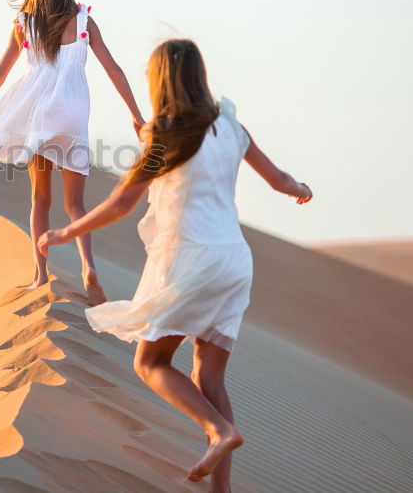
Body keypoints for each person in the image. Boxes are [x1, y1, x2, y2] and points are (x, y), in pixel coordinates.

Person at [38, 38, 312, 489]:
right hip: (235, 261)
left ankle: (219, 431)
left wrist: (66, 232)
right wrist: (300, 186)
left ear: (159, 81)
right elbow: (279, 179)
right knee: (209, 377)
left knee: (150, 363)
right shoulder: (229, 125)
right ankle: (221, 484)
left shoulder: (165, 137)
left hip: (189, 257)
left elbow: (123, 202)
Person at [0, 0, 145, 304]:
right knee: (76, 203)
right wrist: (137, 116)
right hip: (72, 113)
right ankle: (89, 267)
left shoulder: (23, 23)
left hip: (39, 114)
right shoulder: (84, 21)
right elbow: (114, 70)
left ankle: (40, 275)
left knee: (41, 198)